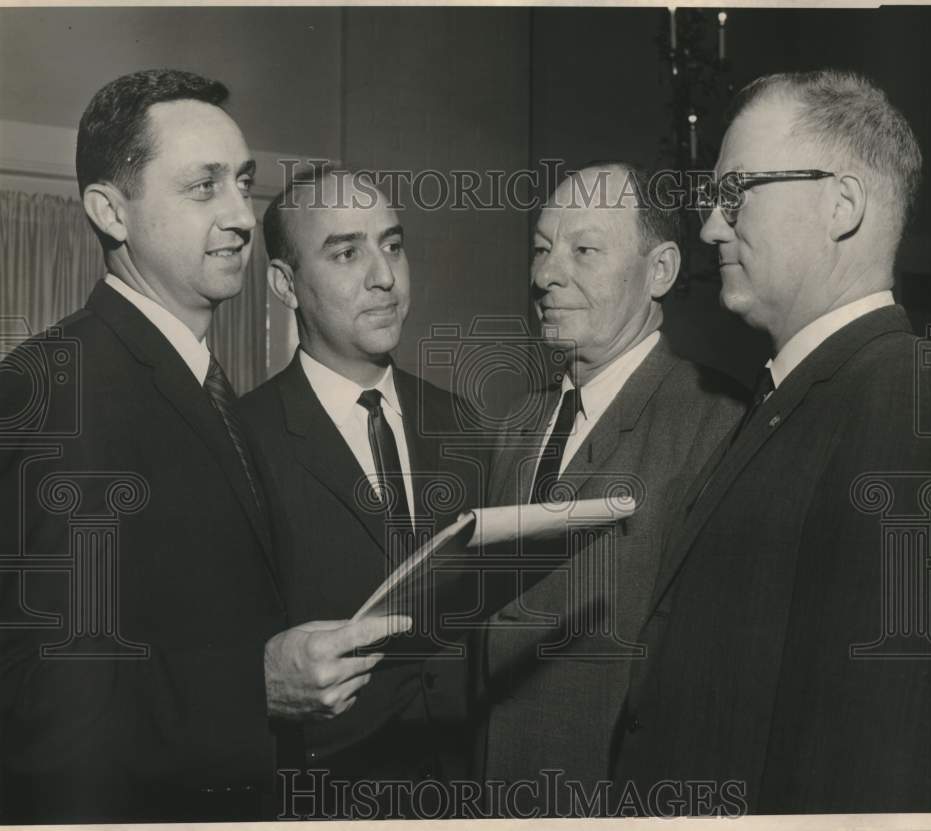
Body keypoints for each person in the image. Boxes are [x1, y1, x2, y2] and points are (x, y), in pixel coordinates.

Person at [0, 70, 407, 824]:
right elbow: (38, 696)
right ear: (109, 211)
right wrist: (252, 684)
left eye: (243, 181)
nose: (242, 216)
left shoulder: (198, 380)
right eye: (203, 186)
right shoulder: (62, 385)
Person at [613, 70, 931, 814]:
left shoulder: (911, 401)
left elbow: (886, 752)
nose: (712, 226)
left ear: (841, 205)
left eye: (736, 192)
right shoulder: (799, 393)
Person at [474, 162, 744, 815]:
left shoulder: (720, 424)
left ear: (661, 271)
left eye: (584, 250)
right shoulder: (513, 427)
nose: (544, 275)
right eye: (541, 249)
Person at [236, 165, 479, 817]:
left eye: (393, 245)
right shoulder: (239, 441)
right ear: (286, 284)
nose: (385, 277)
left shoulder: (465, 426)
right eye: (347, 252)